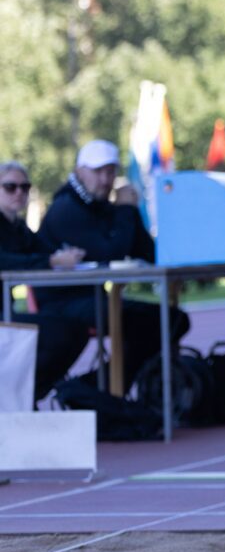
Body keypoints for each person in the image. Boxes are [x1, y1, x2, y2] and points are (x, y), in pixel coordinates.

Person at [36, 139, 190, 392]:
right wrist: (126, 211)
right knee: (162, 321)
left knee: (172, 319)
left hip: (92, 299)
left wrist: (131, 213)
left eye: (110, 172)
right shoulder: (66, 208)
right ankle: (98, 389)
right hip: (63, 304)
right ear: (79, 172)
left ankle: (103, 388)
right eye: (98, 172)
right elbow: (110, 252)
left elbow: (147, 251)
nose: (105, 180)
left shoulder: (102, 206)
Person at [0, 161, 90, 401]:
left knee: (74, 331)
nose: (19, 192)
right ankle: (16, 395)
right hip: (3, 319)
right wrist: (52, 261)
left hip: (6, 314)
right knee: (61, 333)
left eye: (24, 187)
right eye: (10, 187)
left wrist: (66, 255)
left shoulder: (17, 227)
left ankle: (26, 395)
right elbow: (5, 261)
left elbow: (43, 251)